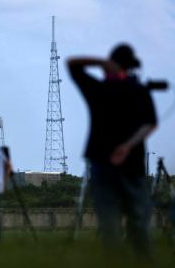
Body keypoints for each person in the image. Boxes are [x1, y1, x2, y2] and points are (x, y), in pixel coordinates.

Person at [67, 44, 157, 255]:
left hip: (101, 163)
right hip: (132, 164)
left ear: (111, 64)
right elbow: (150, 123)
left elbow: (72, 65)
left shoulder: (99, 89)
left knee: (109, 221)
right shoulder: (139, 91)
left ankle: (115, 260)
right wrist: (127, 145)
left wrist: (100, 62)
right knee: (138, 221)